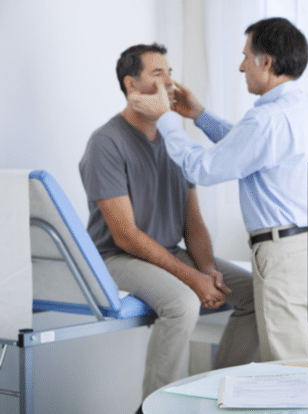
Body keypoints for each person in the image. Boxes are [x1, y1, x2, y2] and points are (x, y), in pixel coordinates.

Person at [129, 17, 308, 362]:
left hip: (282, 255)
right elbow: (250, 149)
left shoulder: (267, 120)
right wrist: (199, 115)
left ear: (265, 62)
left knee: (288, 368)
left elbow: (203, 169)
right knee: (306, 359)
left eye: (245, 56)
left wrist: (166, 118)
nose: (241, 66)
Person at [78, 44, 259, 411]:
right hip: (115, 256)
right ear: (132, 84)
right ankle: (155, 407)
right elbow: (125, 234)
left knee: (256, 295)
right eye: (157, 74)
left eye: (170, 72)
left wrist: (207, 269)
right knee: (182, 303)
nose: (169, 82)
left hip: (166, 251)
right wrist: (193, 280)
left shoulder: (175, 143)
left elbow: (193, 222)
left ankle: (218, 395)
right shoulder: (105, 143)